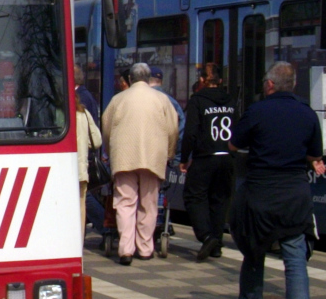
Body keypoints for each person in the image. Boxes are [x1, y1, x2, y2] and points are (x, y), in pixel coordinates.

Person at [227, 61, 326, 299]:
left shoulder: (257, 110)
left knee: (254, 250)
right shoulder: (307, 114)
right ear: (292, 85)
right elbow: (314, 155)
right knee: (295, 257)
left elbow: (234, 144)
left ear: (270, 85)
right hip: (295, 195)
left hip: (260, 193)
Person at [101, 62, 178, 264]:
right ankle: (145, 248)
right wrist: (169, 154)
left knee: (125, 203)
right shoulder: (162, 100)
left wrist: (110, 153)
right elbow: (172, 129)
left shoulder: (118, 100)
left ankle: (125, 249)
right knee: (149, 203)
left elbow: (106, 128)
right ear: (147, 78)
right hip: (153, 158)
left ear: (131, 79)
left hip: (124, 157)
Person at [181, 63, 235, 262]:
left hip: (205, 157)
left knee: (194, 196)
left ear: (202, 80)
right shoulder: (230, 99)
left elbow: (191, 132)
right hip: (227, 157)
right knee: (220, 199)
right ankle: (217, 244)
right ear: (220, 81)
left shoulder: (198, 100)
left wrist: (184, 158)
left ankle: (206, 236)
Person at [74, 96, 102, 240]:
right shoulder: (83, 113)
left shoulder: (56, 113)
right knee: (80, 207)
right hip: (81, 171)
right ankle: (78, 243)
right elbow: (97, 140)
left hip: (60, 173)